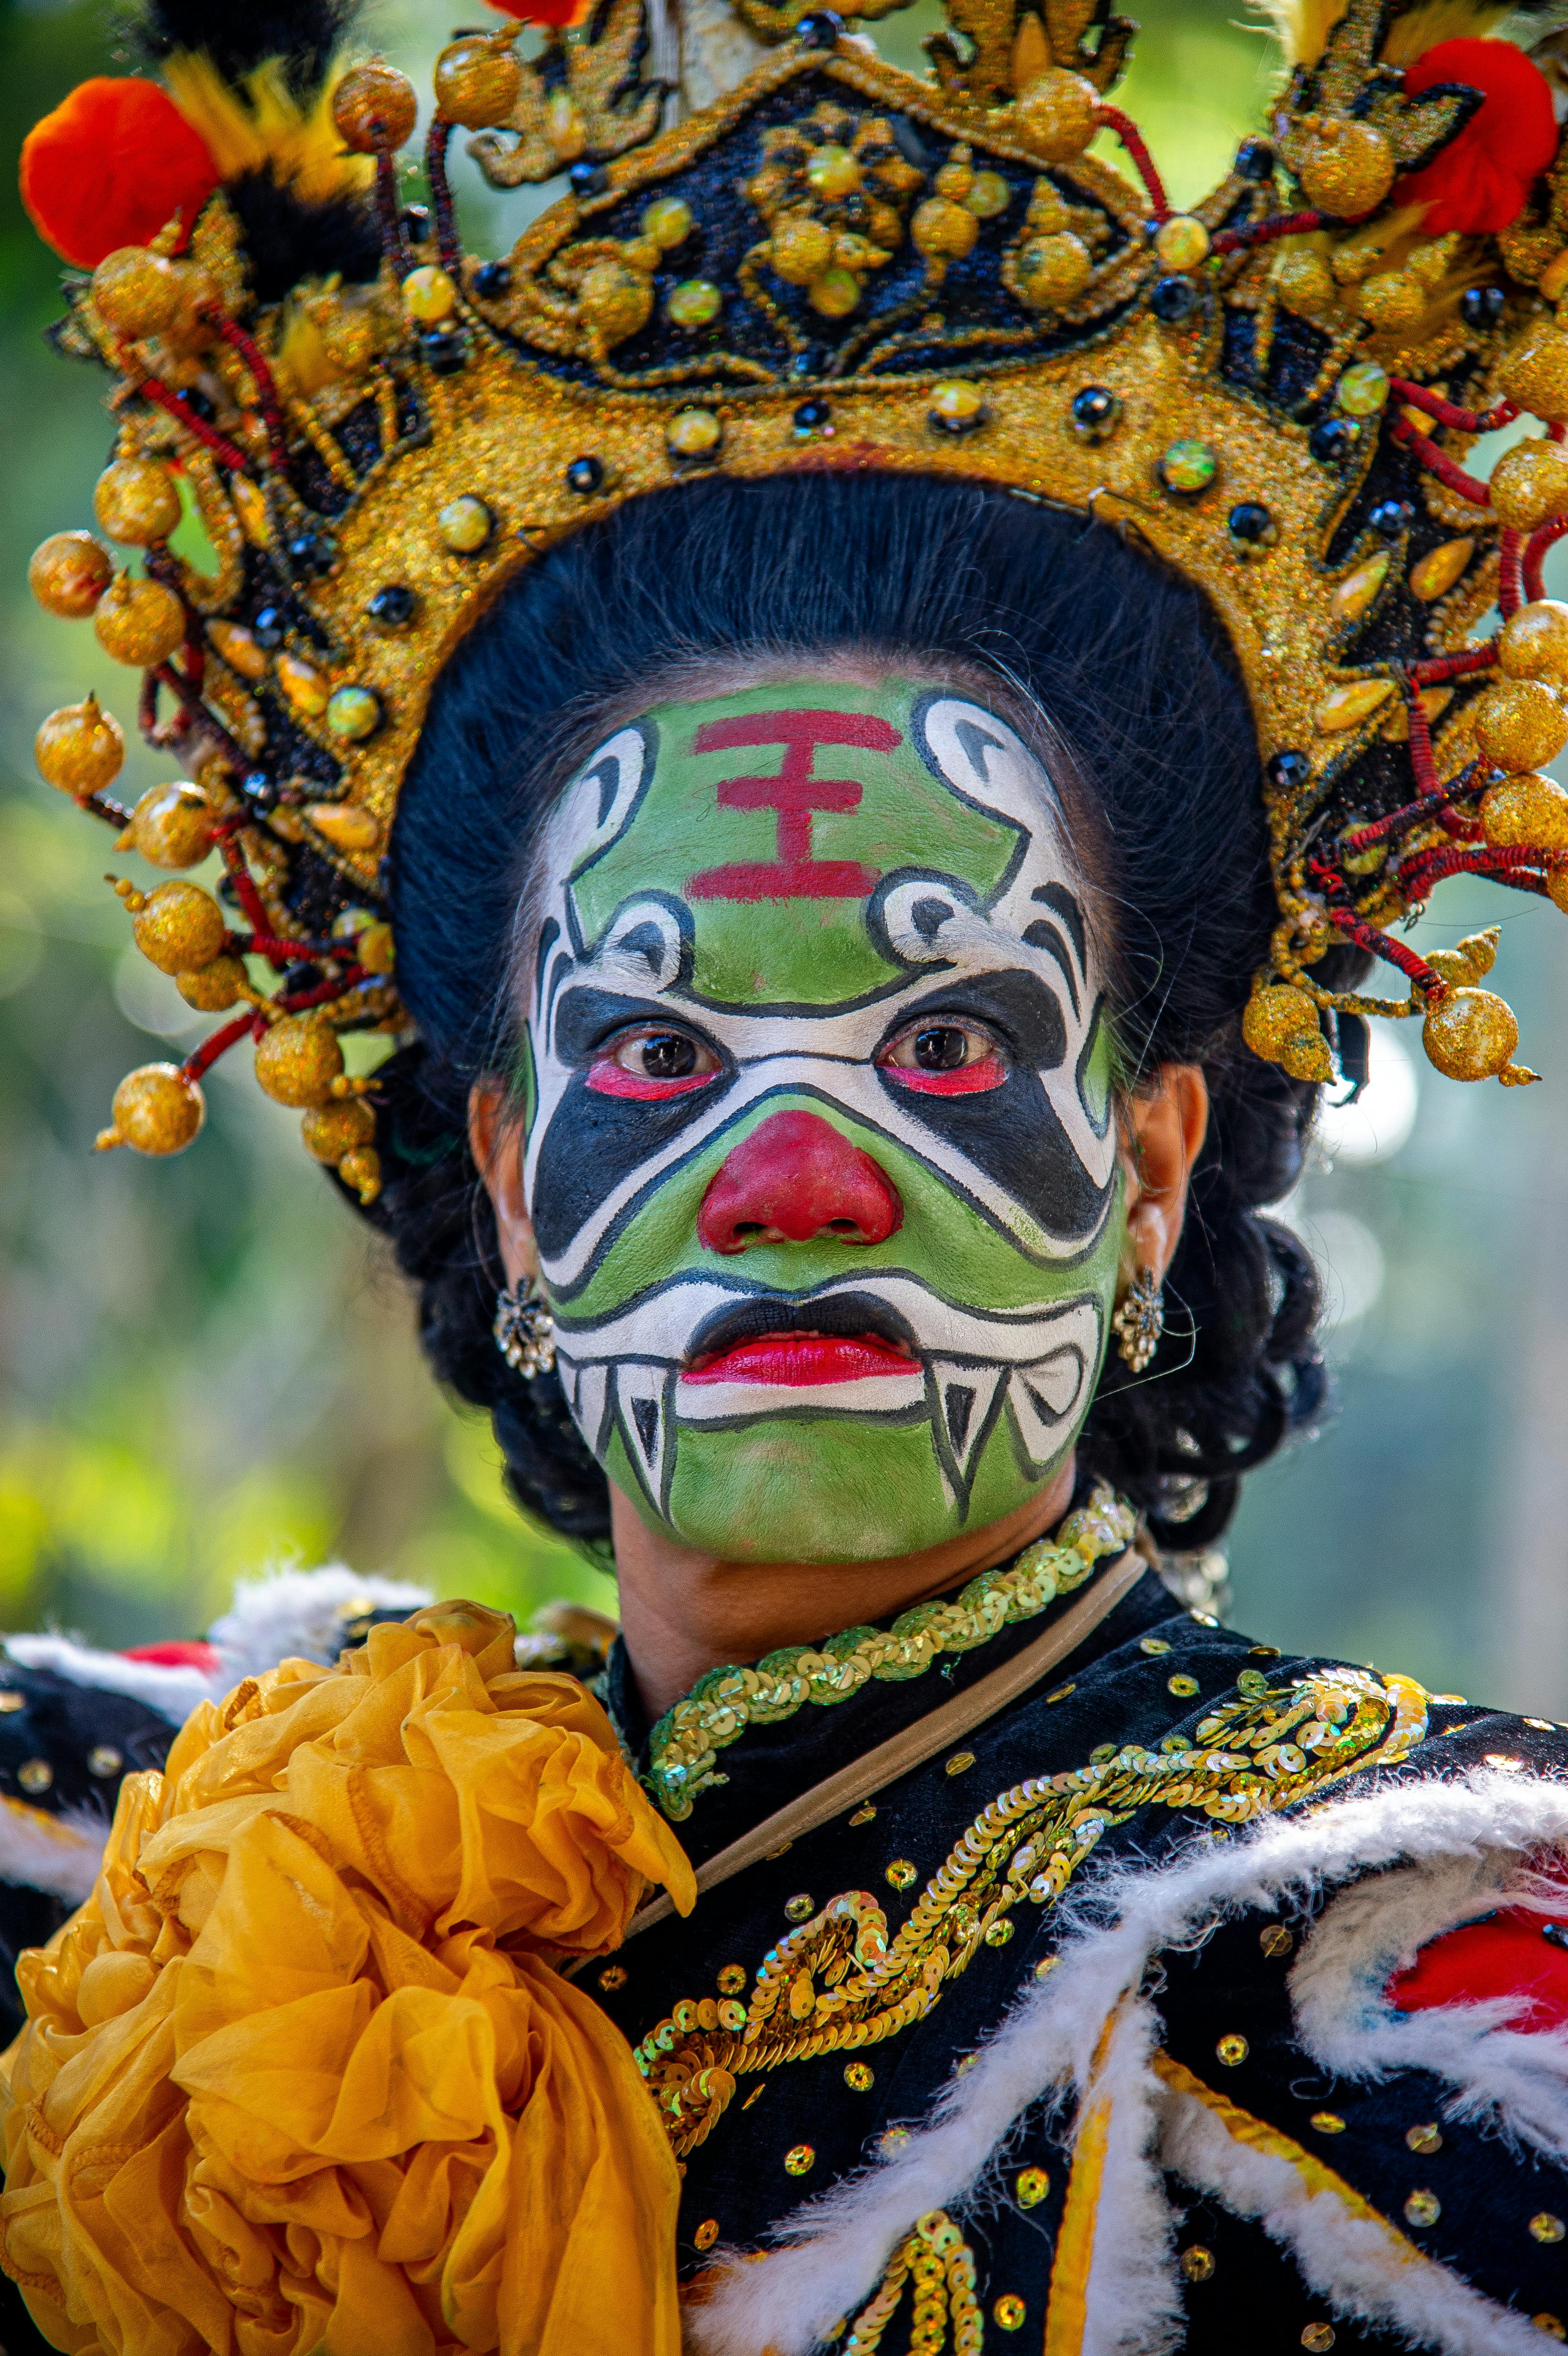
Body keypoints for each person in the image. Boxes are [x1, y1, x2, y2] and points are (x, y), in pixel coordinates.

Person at [7, 0, 1568, 2346]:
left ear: (1148, 1171)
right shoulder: (153, 1847)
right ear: (519, 1189)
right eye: (653, 1047)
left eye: (945, 1037)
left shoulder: (1405, 1980)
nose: (795, 1181)